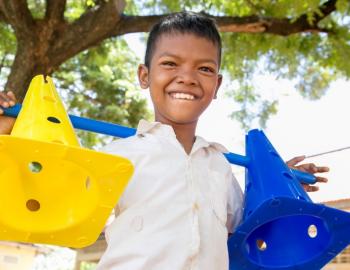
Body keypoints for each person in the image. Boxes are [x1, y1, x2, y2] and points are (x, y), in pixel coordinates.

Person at [0, 11, 328, 270]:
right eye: (170, 63)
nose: (186, 76)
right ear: (145, 76)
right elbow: (51, 207)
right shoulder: (118, 156)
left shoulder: (220, 167)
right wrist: (6, 136)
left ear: (217, 84)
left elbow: (247, 228)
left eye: (204, 68)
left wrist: (276, 178)